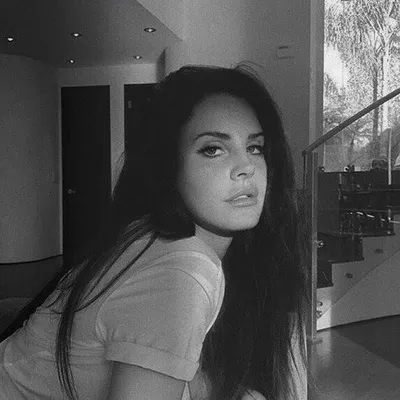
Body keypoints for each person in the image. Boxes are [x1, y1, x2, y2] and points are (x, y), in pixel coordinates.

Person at [0, 65, 308, 400]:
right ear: (168, 167)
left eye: (255, 148)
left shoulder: (147, 236)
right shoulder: (183, 270)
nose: (246, 167)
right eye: (213, 149)